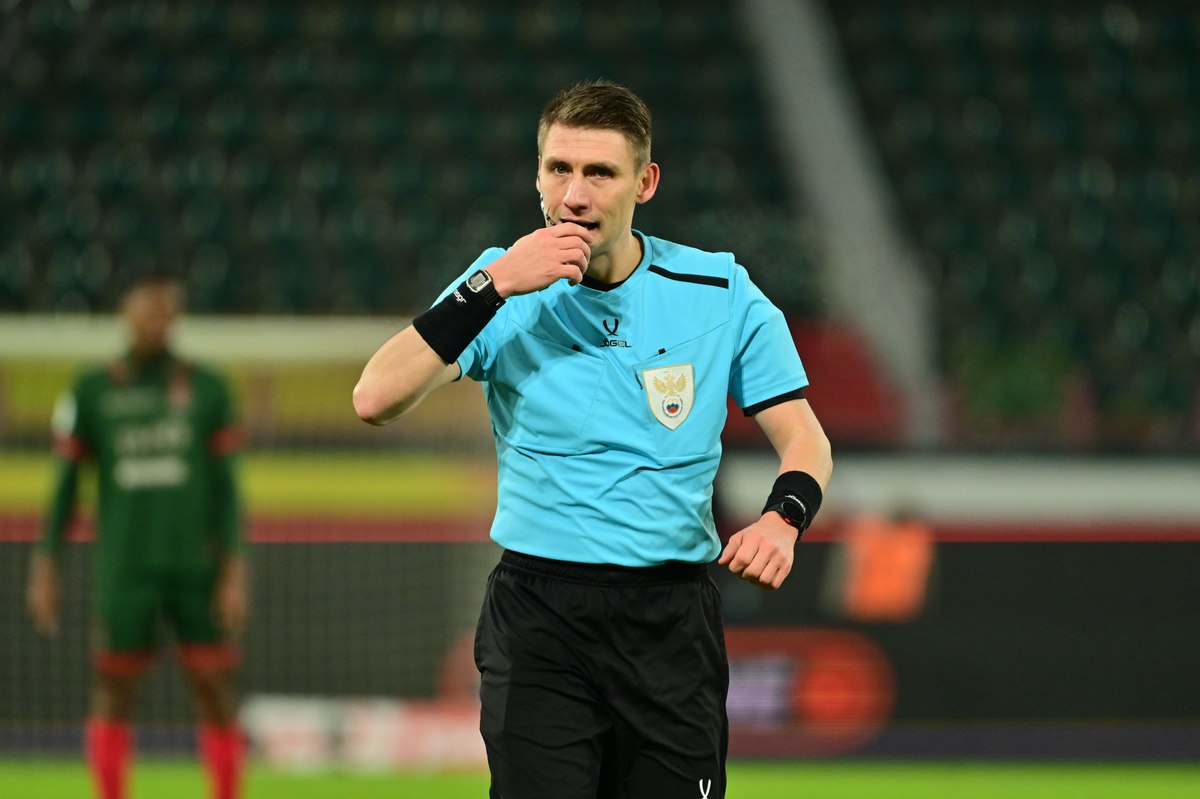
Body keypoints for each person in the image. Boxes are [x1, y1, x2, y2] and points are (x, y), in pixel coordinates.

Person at [353, 80, 832, 798]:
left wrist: (783, 518)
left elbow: (806, 441)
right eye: (559, 169)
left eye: (600, 173)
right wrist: (494, 283)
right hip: (539, 617)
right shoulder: (500, 285)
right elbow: (375, 397)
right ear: (537, 175)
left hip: (671, 621)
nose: (573, 195)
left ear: (646, 182)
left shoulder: (718, 290)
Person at [26, 273, 248, 799]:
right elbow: (65, 486)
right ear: (126, 310)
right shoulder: (92, 389)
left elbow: (227, 492)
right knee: (113, 689)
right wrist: (46, 564)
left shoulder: (208, 387)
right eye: (148, 306)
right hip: (125, 569)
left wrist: (235, 571)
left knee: (214, 688)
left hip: (195, 569)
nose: (158, 318)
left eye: (167, 308)